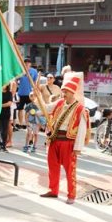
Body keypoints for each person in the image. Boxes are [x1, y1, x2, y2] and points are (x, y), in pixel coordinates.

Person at [40, 76, 89, 204]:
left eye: (66, 91)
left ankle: (71, 195)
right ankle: (53, 190)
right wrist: (37, 97)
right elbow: (45, 108)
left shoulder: (80, 109)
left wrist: (78, 148)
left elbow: (82, 130)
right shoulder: (60, 103)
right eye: (63, 91)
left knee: (70, 170)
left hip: (68, 143)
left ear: (72, 92)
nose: (64, 94)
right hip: (54, 139)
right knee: (53, 167)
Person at [16, 58, 38, 129]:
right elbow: (16, 79)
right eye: (25, 62)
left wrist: (35, 90)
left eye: (28, 62)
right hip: (21, 93)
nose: (27, 64)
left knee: (28, 109)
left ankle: (27, 123)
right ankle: (20, 123)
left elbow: (35, 82)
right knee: (20, 109)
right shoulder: (20, 70)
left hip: (30, 93)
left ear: (30, 64)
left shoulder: (34, 71)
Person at [0, 83, 13, 152]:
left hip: (6, 114)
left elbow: (9, 103)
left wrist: (0, 105)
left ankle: (4, 145)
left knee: (4, 130)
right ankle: (0, 144)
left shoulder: (9, 93)